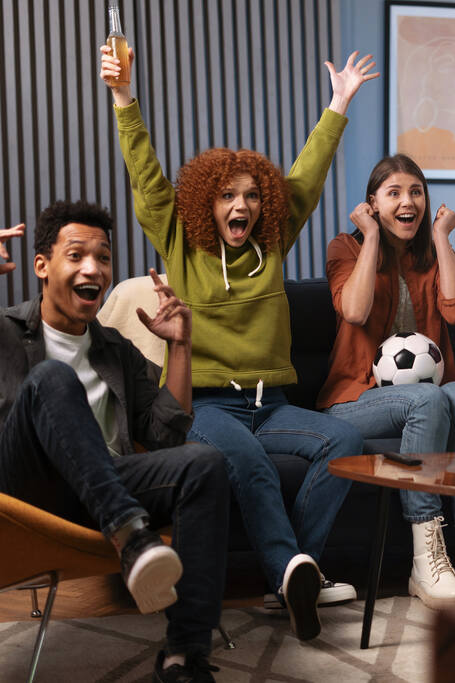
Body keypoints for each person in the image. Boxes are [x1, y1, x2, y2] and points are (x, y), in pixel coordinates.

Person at [0, 200, 230, 682]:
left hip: (99, 488)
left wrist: (180, 346)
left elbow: (165, 434)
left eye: (103, 257)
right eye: (76, 255)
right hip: (21, 490)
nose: (92, 268)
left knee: (204, 462)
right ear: (42, 266)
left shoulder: (114, 350)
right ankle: (129, 536)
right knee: (52, 380)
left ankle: (184, 655)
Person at [100, 45, 377, 641]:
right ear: (207, 202)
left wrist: (338, 104)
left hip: (270, 405)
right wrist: (124, 97)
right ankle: (294, 572)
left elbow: (307, 174)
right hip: (205, 404)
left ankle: (294, 570)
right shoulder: (179, 242)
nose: (242, 205)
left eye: (252, 195)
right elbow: (145, 174)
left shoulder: (272, 241)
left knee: (348, 441)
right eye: (228, 195)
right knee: (248, 465)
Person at [317, 154, 455, 610]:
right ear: (372, 204)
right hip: (353, 402)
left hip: (431, 401)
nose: (409, 202)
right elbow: (357, 311)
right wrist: (368, 238)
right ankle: (426, 558)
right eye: (395, 193)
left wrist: (442, 237)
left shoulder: (433, 252)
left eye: (417, 192)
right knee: (430, 398)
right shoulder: (345, 248)